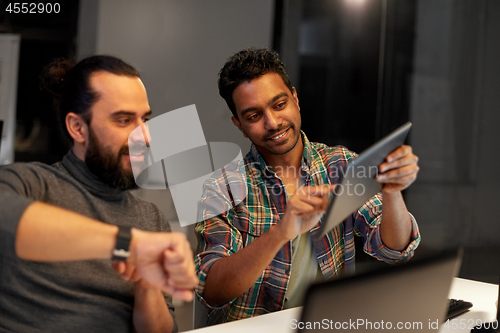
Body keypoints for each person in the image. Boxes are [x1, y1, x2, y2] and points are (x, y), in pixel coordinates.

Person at [194, 48, 421, 325]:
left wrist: (392, 190)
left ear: (295, 99)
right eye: (254, 116)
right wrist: (280, 232)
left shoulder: (341, 165)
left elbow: (394, 250)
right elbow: (211, 290)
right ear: (239, 125)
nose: (273, 123)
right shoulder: (222, 188)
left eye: (279, 105)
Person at [0, 55, 198, 333]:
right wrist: (128, 244)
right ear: (78, 128)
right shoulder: (32, 184)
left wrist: (146, 286)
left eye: (145, 119)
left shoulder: (150, 219)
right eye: (124, 120)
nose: (145, 136)